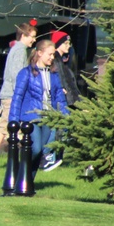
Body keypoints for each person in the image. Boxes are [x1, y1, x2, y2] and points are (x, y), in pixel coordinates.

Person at [0, 21, 37, 170]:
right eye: (32, 36)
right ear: (24, 36)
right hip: (12, 95)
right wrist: (21, 94)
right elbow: (18, 75)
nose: (34, 40)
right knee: (3, 128)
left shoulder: (17, 49)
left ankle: (20, 160)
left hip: (10, 94)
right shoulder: (19, 50)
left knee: (13, 128)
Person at [8, 39, 69, 172]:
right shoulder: (26, 73)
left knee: (41, 151)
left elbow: (60, 97)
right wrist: (13, 121)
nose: (52, 58)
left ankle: (29, 182)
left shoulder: (53, 74)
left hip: (47, 117)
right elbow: (17, 97)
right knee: (35, 149)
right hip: (31, 118)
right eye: (50, 54)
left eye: (53, 55)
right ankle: (21, 175)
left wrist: (66, 115)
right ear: (40, 53)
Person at [51, 30, 80, 107]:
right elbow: (63, 80)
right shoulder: (56, 61)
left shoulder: (63, 60)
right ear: (58, 44)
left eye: (69, 43)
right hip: (65, 101)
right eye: (65, 43)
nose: (69, 46)